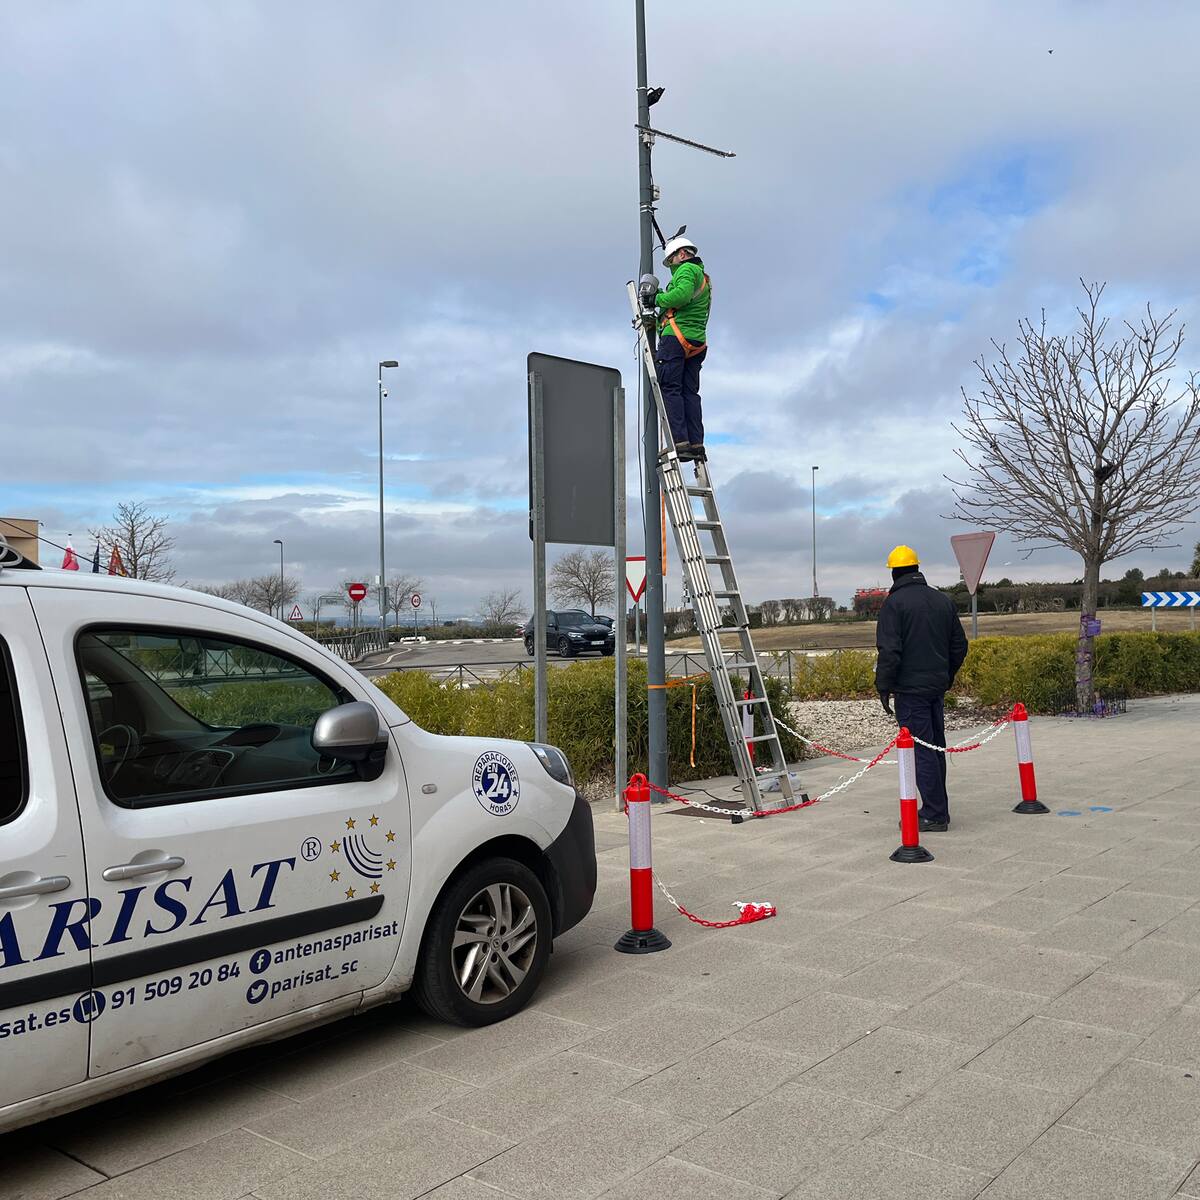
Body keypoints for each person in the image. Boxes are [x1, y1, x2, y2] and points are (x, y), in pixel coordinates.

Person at [875, 544, 969, 832]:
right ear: (917, 568)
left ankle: (934, 814)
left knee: (921, 750)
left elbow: (890, 651)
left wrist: (883, 686)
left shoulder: (894, 604)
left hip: (910, 691)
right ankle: (938, 808)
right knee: (935, 747)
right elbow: (959, 645)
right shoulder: (942, 600)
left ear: (894, 573)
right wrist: (946, 676)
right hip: (935, 688)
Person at [654, 233, 711, 462]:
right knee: (690, 393)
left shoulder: (687, 270)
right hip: (697, 342)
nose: (671, 266)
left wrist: (656, 299)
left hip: (676, 338)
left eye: (671, 261)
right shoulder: (703, 276)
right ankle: (696, 442)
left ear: (682, 254)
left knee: (670, 388)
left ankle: (680, 441)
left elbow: (681, 295)